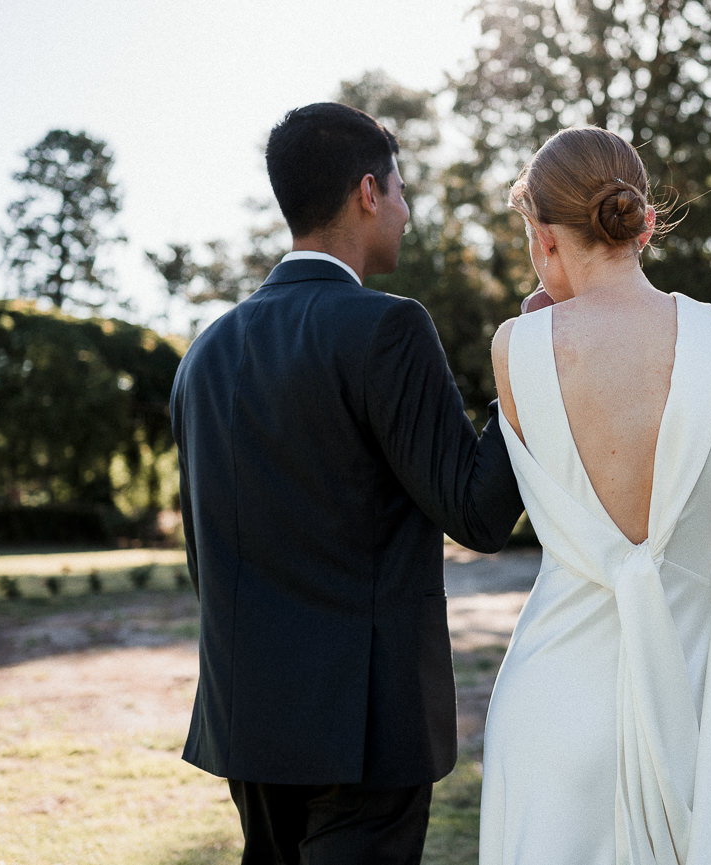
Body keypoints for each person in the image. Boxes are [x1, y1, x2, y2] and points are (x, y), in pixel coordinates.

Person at [170, 102, 523, 865]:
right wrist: (529, 373)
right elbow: (479, 512)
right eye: (400, 190)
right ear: (368, 191)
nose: (405, 209)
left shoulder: (204, 353)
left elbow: (204, 548)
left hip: (249, 718)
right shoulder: (387, 328)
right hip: (367, 726)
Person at [479, 127, 711, 864]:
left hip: (553, 700)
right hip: (695, 706)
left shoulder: (517, 347)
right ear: (645, 221)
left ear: (542, 237)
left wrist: (544, 299)